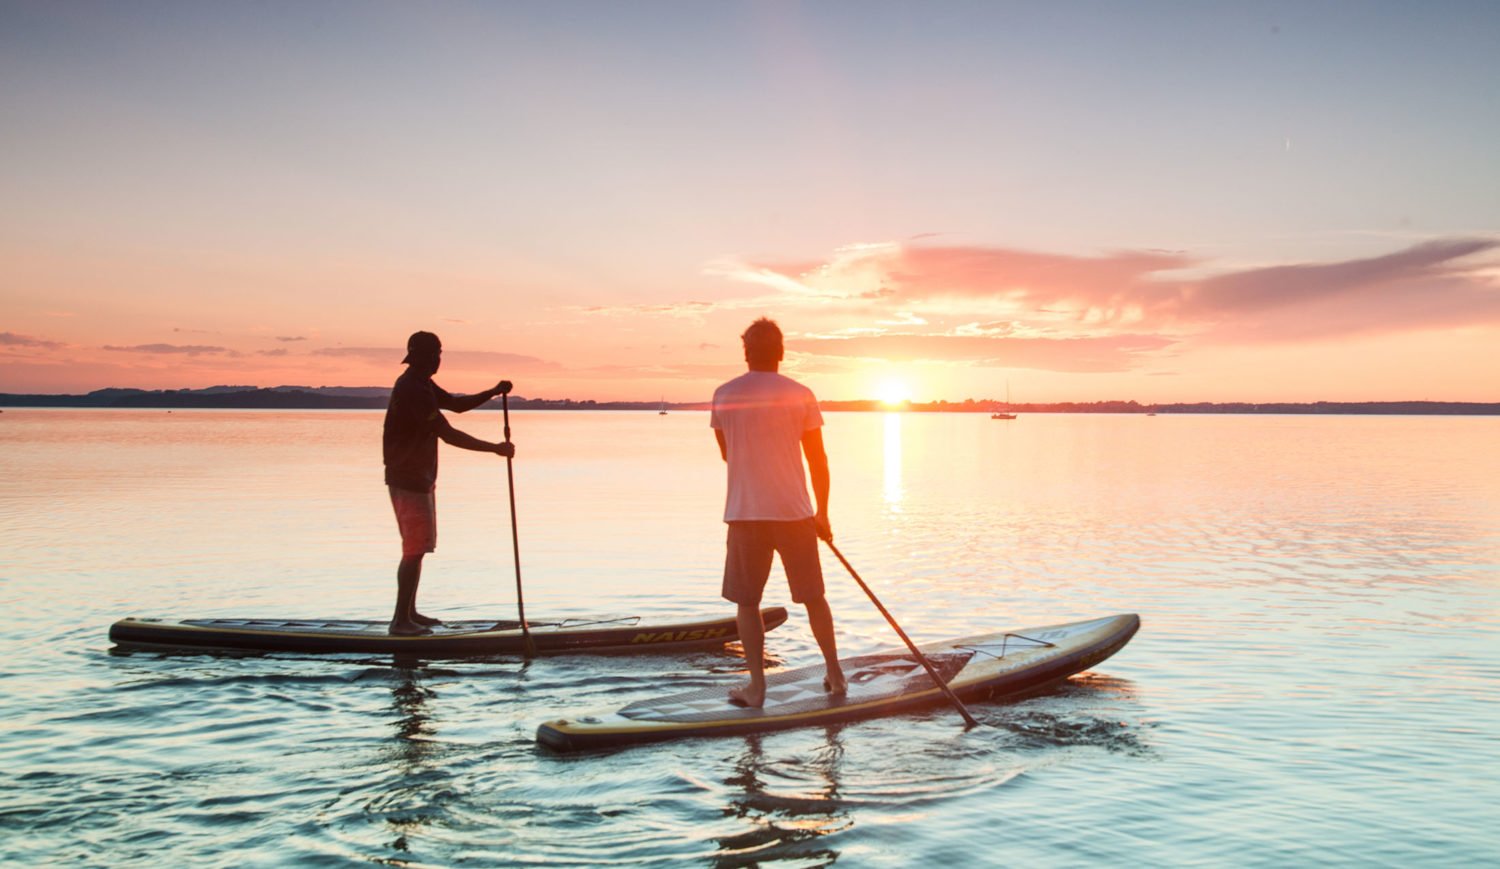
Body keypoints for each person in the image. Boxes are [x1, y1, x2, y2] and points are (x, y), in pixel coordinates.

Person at [710, 318, 846, 707]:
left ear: (747, 353)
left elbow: (726, 453)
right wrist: (823, 513)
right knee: (814, 596)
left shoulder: (724, 394)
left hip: (745, 512)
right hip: (794, 514)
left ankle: (757, 688)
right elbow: (818, 460)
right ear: (781, 353)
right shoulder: (801, 393)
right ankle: (835, 674)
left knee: (747, 601)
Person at [383, 330, 514, 636]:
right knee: (413, 549)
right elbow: (448, 432)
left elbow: (455, 404)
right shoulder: (412, 388)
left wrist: (492, 392)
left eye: (440, 353)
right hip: (408, 477)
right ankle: (400, 622)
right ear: (422, 357)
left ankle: (410, 612)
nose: (438, 359)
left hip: (421, 477)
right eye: (435, 354)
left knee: (418, 547)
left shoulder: (422, 383)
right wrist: (494, 448)